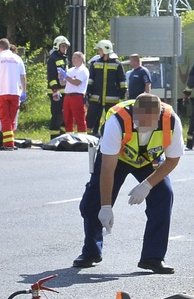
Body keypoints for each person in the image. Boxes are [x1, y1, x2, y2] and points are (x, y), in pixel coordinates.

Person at [73, 94, 183, 274]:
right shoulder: (117, 121)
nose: (145, 128)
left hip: (148, 159)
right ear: (135, 114)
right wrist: (106, 206)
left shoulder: (172, 121)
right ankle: (91, 252)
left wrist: (147, 185)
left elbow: (172, 160)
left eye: (151, 123)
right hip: (119, 157)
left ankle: (152, 257)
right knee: (93, 202)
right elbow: (107, 169)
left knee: (164, 194)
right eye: (141, 123)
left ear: (159, 115)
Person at [86, 40, 127, 136]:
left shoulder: (117, 64)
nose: (98, 52)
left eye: (100, 50)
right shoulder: (95, 63)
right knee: (91, 118)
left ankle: (110, 137)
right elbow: (91, 80)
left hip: (112, 98)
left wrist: (122, 92)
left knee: (112, 119)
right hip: (96, 98)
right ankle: (90, 137)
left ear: (105, 50)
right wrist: (88, 93)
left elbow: (122, 80)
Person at [0, 38, 26, 150]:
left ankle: (8, 144)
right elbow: (23, 76)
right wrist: (24, 91)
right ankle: (10, 141)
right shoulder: (18, 59)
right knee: (12, 118)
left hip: (2, 91)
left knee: (5, 118)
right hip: (15, 93)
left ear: (0, 48)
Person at [47, 36, 70, 140]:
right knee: (57, 115)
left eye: (65, 46)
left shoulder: (64, 59)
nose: (64, 48)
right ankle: (54, 138)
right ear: (57, 46)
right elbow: (51, 76)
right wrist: (55, 90)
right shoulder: (53, 58)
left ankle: (62, 137)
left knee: (64, 116)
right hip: (56, 92)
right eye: (63, 46)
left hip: (65, 92)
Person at [63, 51, 90, 134]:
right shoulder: (71, 70)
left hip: (77, 96)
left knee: (79, 119)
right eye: (72, 58)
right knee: (67, 119)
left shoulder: (83, 70)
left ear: (81, 58)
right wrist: (61, 76)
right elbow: (63, 83)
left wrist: (66, 77)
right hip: (68, 96)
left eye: (75, 57)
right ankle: (69, 137)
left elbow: (77, 82)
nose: (73, 59)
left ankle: (82, 139)